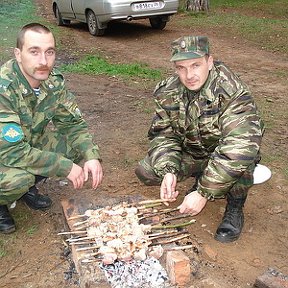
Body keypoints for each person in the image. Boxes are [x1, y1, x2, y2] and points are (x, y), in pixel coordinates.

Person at [135, 36, 264, 243]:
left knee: (241, 163)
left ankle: (234, 208)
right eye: (181, 68)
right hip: (195, 151)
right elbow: (163, 134)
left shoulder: (233, 92)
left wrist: (203, 193)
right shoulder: (168, 92)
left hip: (229, 154)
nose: (189, 75)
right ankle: (200, 175)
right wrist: (169, 170)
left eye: (196, 65)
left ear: (210, 62)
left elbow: (238, 148)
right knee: (147, 171)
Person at [0, 23, 103, 234]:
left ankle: (27, 189)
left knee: (73, 147)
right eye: (34, 52)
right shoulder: (4, 88)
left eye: (50, 52)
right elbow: (12, 152)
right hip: (7, 151)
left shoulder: (51, 82)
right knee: (19, 179)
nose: (43, 61)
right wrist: (64, 167)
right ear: (18, 54)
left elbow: (72, 123)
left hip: (25, 143)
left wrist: (91, 155)